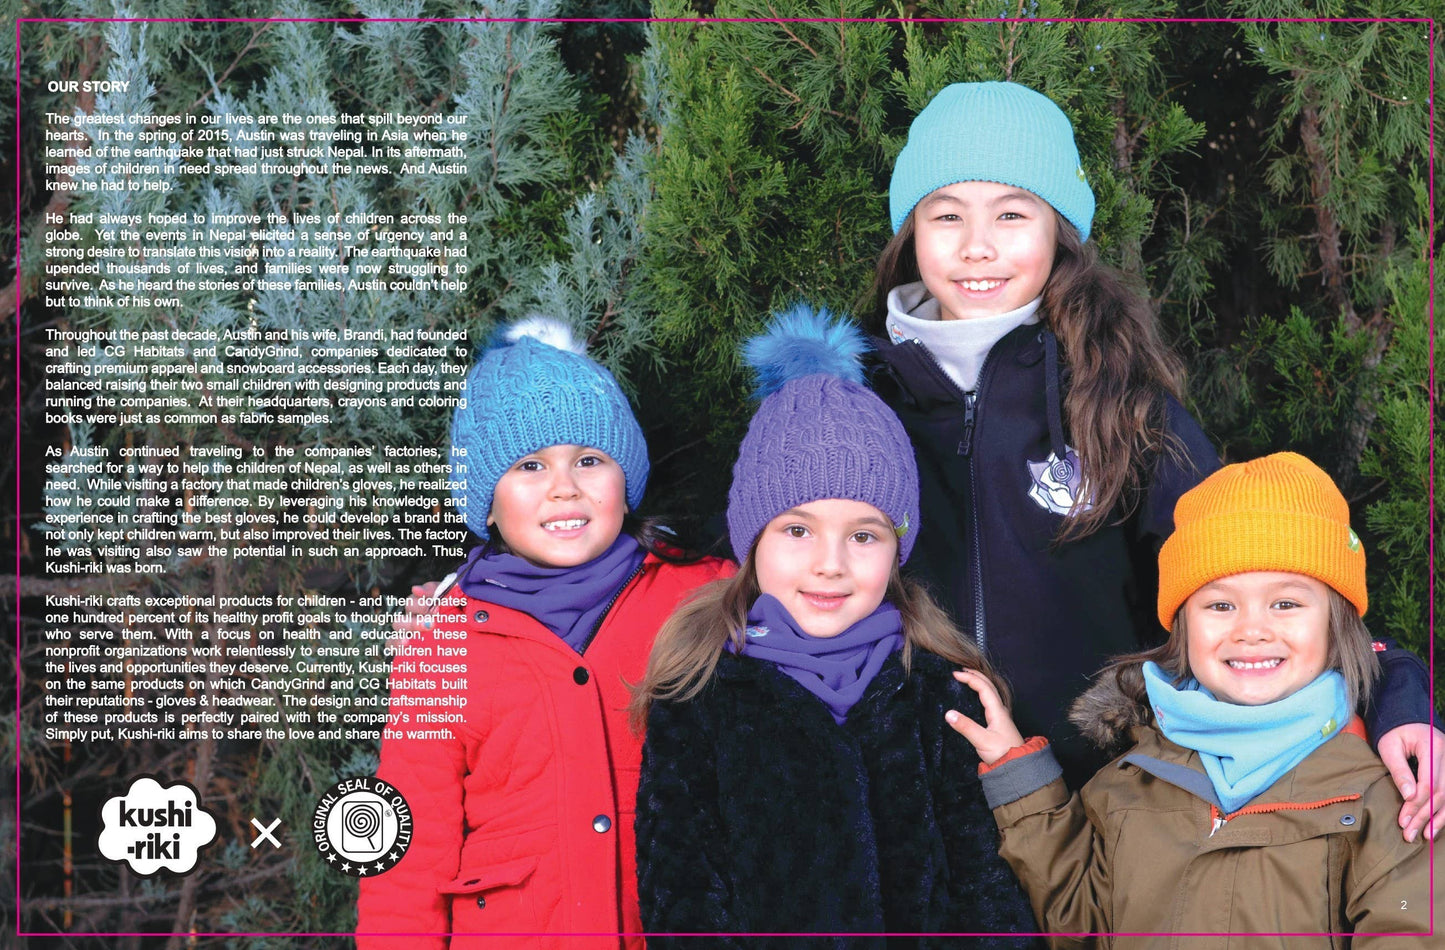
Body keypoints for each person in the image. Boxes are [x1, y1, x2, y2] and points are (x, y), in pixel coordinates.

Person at [864, 80, 1441, 834]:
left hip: (1102, 814)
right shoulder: (855, 406)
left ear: (1058, 232)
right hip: (909, 818)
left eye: (1011, 213)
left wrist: (1396, 691)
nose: (977, 245)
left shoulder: (1124, 410)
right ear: (910, 231)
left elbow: (1255, 580)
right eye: (947, 215)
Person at [633, 306, 1039, 947]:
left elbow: (987, 894)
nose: (831, 564)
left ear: (897, 549)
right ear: (753, 541)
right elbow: (682, 901)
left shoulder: (940, 693)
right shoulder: (699, 697)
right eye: (798, 530)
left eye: (864, 535)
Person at [948, 452, 1438, 945]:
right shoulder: (1131, 777)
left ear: (1337, 623)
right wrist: (1019, 776)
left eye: (1286, 603)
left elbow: (1411, 924)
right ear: (1182, 625)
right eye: (1220, 604)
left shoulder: (1390, 794)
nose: (1251, 630)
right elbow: (1080, 922)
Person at [355, 317, 730, 949]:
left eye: (589, 459)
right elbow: (408, 849)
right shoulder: (441, 643)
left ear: (625, 481)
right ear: (486, 504)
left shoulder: (705, 599)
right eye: (530, 465)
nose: (564, 488)